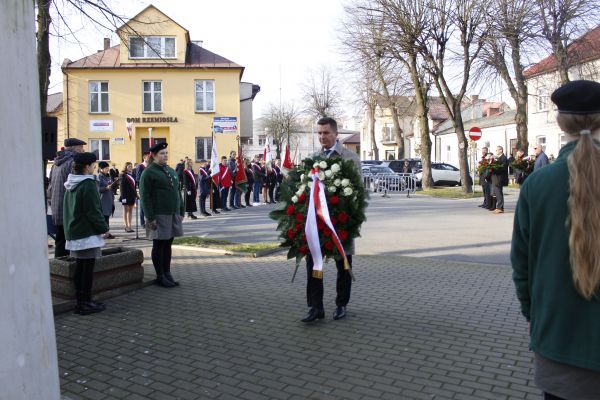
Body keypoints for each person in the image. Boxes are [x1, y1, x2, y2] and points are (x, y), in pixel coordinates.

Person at [511, 80, 600, 399]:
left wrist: (536, 315)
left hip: (557, 342)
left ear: (561, 123)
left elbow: (522, 268)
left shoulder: (537, 184)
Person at [302, 117, 361, 323]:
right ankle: (315, 307)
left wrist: (349, 218)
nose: (322, 137)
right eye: (319, 133)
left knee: (343, 264)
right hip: (317, 223)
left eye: (326, 133)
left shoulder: (349, 158)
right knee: (314, 263)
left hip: (341, 223)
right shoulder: (313, 158)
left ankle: (341, 304)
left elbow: (357, 192)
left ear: (336, 134)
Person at [63, 152, 109, 315]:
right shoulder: (87, 184)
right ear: (87, 167)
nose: (94, 168)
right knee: (86, 269)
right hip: (86, 232)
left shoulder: (71, 183)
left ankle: (82, 301)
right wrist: (104, 228)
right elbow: (93, 211)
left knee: (81, 267)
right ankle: (84, 303)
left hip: (75, 230)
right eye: (93, 165)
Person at [139, 142, 184, 288]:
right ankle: (160, 275)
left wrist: (181, 211)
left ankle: (167, 272)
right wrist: (150, 217)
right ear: (153, 155)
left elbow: (178, 192)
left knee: (168, 244)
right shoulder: (149, 172)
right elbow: (145, 197)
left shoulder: (170, 170)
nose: (165, 156)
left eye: (166, 153)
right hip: (158, 214)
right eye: (162, 154)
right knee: (159, 245)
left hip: (172, 214)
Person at [48, 137, 86, 257]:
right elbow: (78, 185)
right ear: (75, 148)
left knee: (60, 241)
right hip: (69, 209)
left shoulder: (56, 164)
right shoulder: (73, 163)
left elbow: (50, 188)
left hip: (56, 208)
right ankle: (67, 270)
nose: (83, 150)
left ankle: (58, 268)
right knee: (70, 243)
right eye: (81, 148)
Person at [97, 161, 115, 239]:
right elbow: (97, 189)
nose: (108, 169)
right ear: (101, 169)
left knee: (107, 216)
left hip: (109, 199)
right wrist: (105, 188)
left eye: (108, 168)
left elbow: (110, 185)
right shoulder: (99, 177)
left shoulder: (108, 176)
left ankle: (106, 232)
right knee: (104, 217)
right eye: (106, 168)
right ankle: (105, 232)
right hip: (103, 200)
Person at [119, 162, 137, 232]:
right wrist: (123, 197)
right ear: (126, 167)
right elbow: (122, 187)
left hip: (132, 195)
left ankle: (130, 226)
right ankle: (126, 226)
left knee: (131, 211)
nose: (130, 167)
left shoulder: (132, 175)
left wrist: (135, 195)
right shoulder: (123, 175)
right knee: (126, 211)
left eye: (131, 166)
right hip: (125, 195)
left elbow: (134, 186)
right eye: (129, 166)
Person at [490, 146, 508, 214]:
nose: (496, 151)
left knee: (499, 193)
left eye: (497, 150)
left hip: (499, 178)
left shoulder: (503, 158)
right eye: (496, 150)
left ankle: (499, 208)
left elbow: (502, 168)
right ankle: (500, 207)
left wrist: (494, 169)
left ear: (501, 150)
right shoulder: (498, 158)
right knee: (497, 193)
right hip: (496, 178)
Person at [135, 151, 150, 227]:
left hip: (150, 189)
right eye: (148, 156)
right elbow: (137, 178)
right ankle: (142, 222)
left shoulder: (150, 166)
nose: (150, 157)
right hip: (143, 188)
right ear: (144, 158)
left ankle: (149, 220)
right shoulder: (140, 166)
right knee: (143, 206)